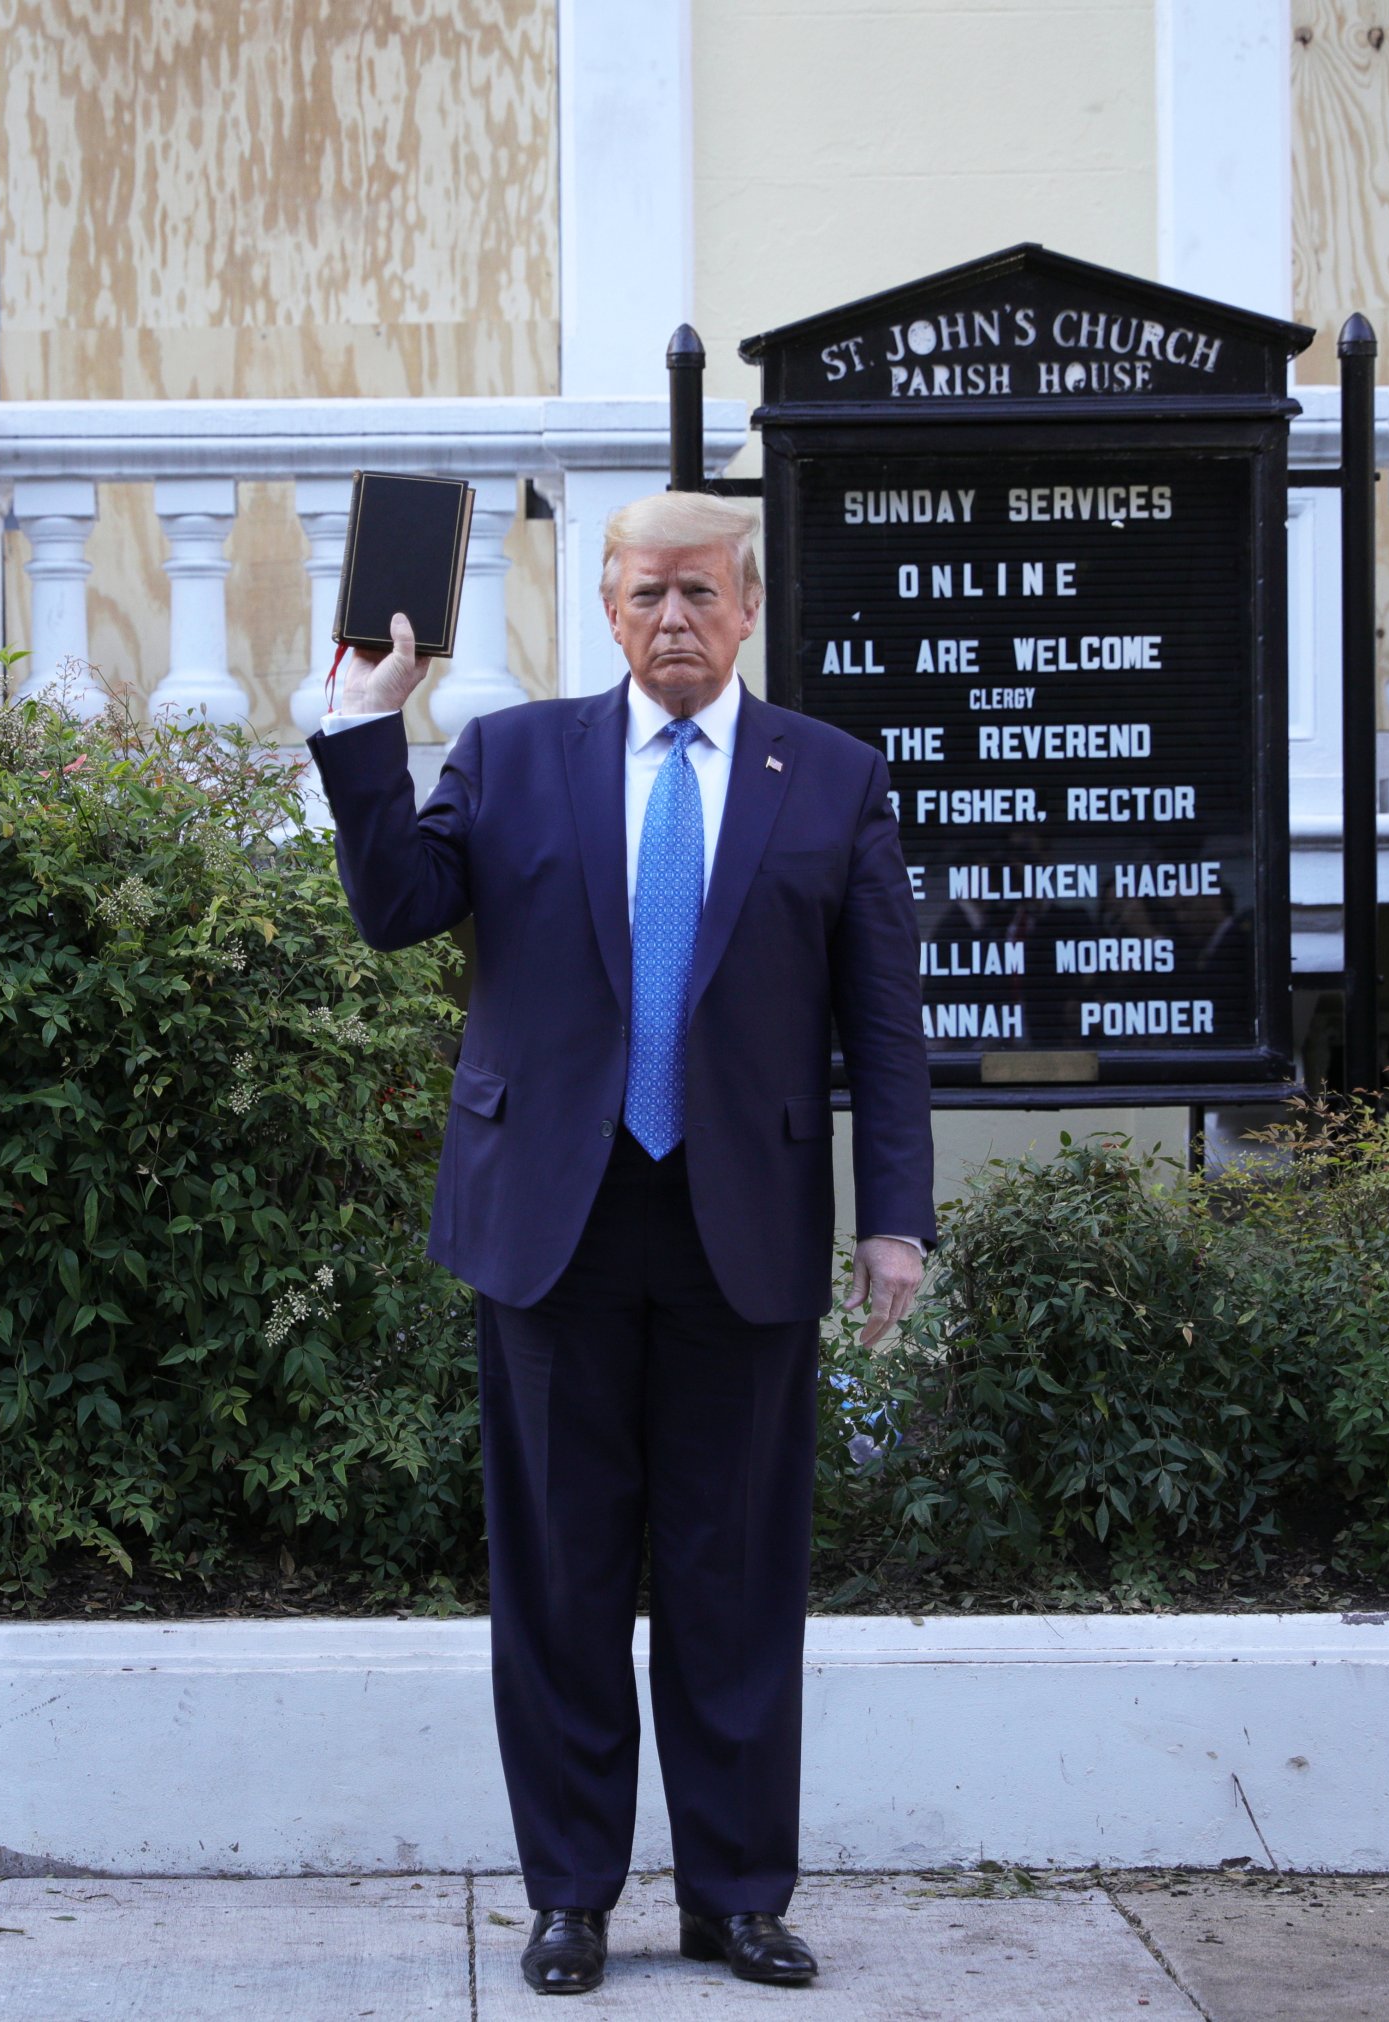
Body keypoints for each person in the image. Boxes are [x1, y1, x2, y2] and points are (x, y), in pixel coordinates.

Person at [308, 490, 935, 1995]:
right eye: (648, 593)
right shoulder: (513, 755)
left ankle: (737, 1897)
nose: (675, 619)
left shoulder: (831, 777)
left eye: (701, 593)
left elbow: (883, 1023)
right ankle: (571, 1896)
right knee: (561, 1582)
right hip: (553, 1229)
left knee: (738, 1581)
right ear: (607, 610)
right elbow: (397, 909)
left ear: (748, 608)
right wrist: (367, 727)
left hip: (743, 1233)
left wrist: (894, 1218)